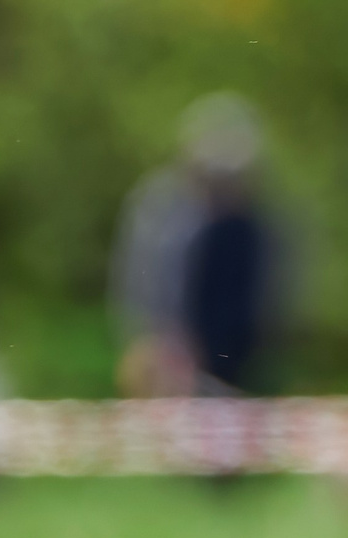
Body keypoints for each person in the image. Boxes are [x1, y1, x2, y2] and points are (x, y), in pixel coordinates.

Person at [111, 93, 284, 397]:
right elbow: (143, 281)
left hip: (235, 356)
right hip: (170, 353)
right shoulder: (161, 208)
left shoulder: (256, 221)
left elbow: (267, 293)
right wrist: (153, 338)